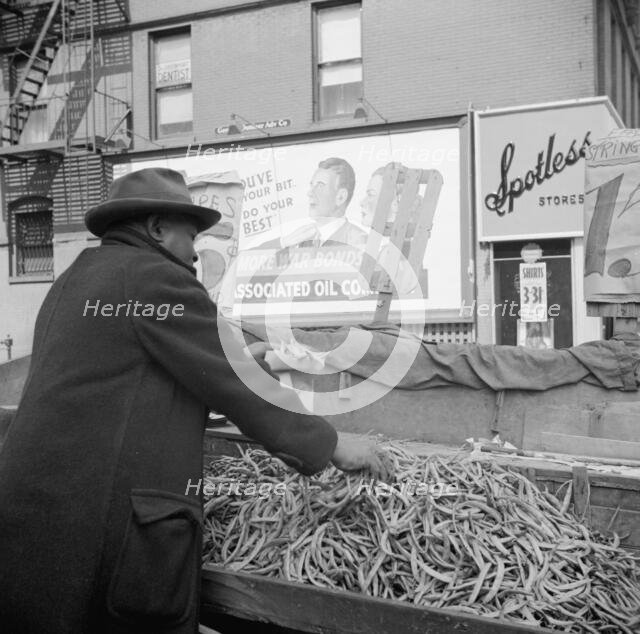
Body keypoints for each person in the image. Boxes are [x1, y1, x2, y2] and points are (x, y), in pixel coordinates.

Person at [0, 168, 386, 634]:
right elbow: (233, 382)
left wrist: (249, 357)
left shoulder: (72, 282)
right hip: (103, 531)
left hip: (34, 524)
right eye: (191, 236)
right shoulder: (154, 278)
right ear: (157, 228)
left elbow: (139, 376)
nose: (196, 252)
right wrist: (331, 445)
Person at [258, 157, 367, 249]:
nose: (310, 193)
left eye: (320, 185)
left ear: (341, 197)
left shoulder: (359, 241)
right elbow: (249, 262)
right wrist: (284, 242)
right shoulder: (301, 239)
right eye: (312, 185)